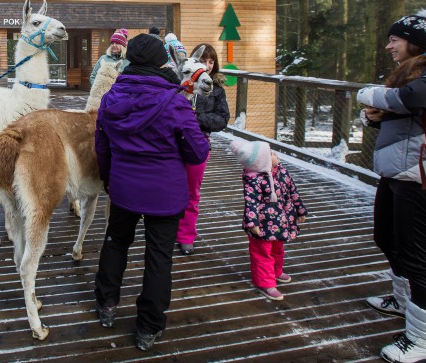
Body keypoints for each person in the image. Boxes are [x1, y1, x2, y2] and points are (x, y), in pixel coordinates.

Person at [93, 34, 210, 351]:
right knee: (159, 258)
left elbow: (101, 146)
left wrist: (109, 178)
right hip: (165, 195)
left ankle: (106, 304)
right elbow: (198, 153)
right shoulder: (175, 102)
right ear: (161, 62)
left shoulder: (110, 98)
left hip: (124, 188)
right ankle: (148, 327)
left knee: (116, 243)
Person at [356, 5, 426, 363]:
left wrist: (370, 96)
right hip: (397, 172)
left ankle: (421, 340)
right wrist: (376, 116)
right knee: (386, 238)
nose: (389, 47)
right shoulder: (411, 73)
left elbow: (415, 100)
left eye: (394, 40)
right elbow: (407, 117)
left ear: (416, 41)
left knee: (415, 256)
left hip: (420, 178)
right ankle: (401, 299)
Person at [229, 139, 307, 302]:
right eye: (270, 153)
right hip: (262, 224)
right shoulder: (253, 179)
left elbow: (293, 192)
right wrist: (252, 223)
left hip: (281, 221)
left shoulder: (282, 172)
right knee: (262, 252)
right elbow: (251, 202)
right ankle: (265, 282)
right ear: (262, 162)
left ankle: (276, 272)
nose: (275, 154)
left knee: (278, 249)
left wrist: (300, 209)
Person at [176, 43, 230, 255]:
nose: (207, 66)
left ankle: (186, 235)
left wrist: (195, 118)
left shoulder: (216, 91)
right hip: (174, 143)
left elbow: (222, 119)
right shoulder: (179, 85)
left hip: (198, 144)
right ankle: (168, 228)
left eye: (210, 62)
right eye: (202, 61)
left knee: (192, 193)